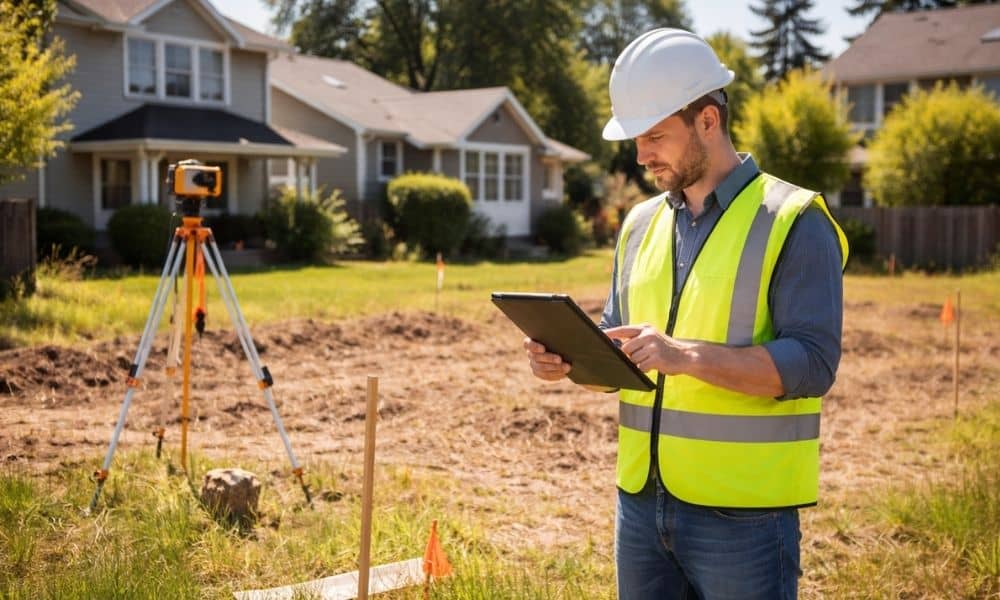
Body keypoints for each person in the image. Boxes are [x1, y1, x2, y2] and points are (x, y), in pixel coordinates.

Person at [523, 28, 848, 599]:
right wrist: (570, 356)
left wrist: (684, 357)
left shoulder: (794, 219)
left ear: (707, 121)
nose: (642, 155)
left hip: (744, 515)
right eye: (636, 140)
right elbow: (618, 337)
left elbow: (813, 364)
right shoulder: (640, 224)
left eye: (654, 136)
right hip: (641, 503)